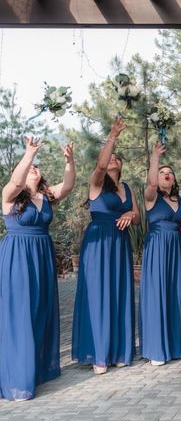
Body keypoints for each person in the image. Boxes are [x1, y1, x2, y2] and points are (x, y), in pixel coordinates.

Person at [0, 137, 75, 400]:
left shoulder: (46, 196)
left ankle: (36, 370)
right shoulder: (10, 195)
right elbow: (18, 181)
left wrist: (69, 161)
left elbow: (68, 185)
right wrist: (29, 153)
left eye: (36, 166)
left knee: (41, 308)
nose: (33, 168)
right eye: (28, 166)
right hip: (18, 256)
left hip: (42, 255)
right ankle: (17, 380)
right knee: (20, 313)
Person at [72, 117, 140, 375]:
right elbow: (101, 163)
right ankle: (99, 354)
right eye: (111, 157)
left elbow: (137, 216)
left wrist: (129, 216)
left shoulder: (128, 187)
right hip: (99, 241)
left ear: (122, 165)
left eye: (117, 158)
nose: (113, 160)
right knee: (99, 294)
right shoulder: (97, 182)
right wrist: (112, 135)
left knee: (119, 292)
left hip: (120, 243)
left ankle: (119, 351)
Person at [139, 142, 181, 366]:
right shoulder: (151, 197)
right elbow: (151, 182)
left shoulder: (179, 201)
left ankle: (174, 345)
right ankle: (157, 348)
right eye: (162, 173)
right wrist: (155, 157)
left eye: (170, 173)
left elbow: (178, 223)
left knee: (174, 292)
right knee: (157, 293)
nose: (167, 175)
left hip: (175, 248)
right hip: (157, 247)